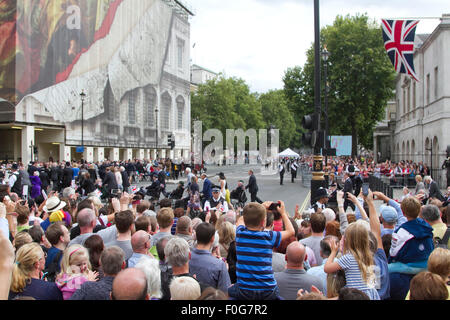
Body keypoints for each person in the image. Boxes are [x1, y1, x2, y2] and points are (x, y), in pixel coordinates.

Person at [228, 201, 294, 300]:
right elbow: (291, 231)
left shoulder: (240, 234)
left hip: (244, 290)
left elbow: (240, 220)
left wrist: (260, 207)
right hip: (268, 290)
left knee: (229, 289)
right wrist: (283, 213)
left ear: (245, 221)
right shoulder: (269, 237)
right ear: (263, 222)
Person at [388, 196, 434, 300]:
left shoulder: (401, 232)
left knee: (384, 270)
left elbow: (393, 253)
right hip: (426, 265)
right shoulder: (427, 227)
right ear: (419, 211)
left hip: (408, 268)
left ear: (403, 212)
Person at [324, 221, 380, 300]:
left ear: (348, 241)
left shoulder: (348, 258)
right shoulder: (369, 257)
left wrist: (333, 252)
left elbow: (327, 268)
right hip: (370, 294)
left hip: (354, 296)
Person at [189, 222, 231, 293]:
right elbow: (225, 293)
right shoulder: (219, 265)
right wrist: (225, 270)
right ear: (212, 239)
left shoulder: (185, 259)